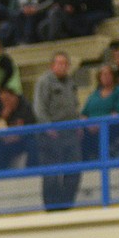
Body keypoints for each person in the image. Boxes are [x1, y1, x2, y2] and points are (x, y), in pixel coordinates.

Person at [33, 52, 82, 211]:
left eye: (65, 63)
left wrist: (78, 124)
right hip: (51, 134)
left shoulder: (70, 83)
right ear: (52, 65)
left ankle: (66, 205)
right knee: (51, 174)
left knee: (74, 170)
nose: (62, 66)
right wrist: (48, 127)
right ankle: (52, 208)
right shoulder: (44, 82)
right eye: (58, 63)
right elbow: (39, 107)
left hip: (69, 132)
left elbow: (74, 106)